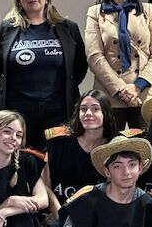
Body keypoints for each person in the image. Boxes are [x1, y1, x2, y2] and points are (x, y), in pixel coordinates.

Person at [0, 0, 87, 150]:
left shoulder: (68, 28)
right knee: (19, 162)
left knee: (55, 161)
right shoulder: (7, 28)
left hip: (58, 112)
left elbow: (79, 67)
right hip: (17, 113)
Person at [85, 0, 152, 129]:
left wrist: (137, 86)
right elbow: (94, 56)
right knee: (110, 145)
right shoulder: (95, 12)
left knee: (146, 144)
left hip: (143, 94)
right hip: (109, 94)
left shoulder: (148, 10)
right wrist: (121, 89)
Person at [41, 89, 118, 221]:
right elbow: (44, 184)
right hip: (56, 215)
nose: (88, 113)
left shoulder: (113, 149)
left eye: (95, 109)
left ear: (106, 114)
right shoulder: (58, 141)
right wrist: (60, 214)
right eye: (83, 109)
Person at [57, 135, 152, 226]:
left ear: (140, 168)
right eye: (117, 166)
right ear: (107, 172)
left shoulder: (149, 205)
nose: (126, 172)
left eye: (132, 164)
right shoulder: (86, 200)